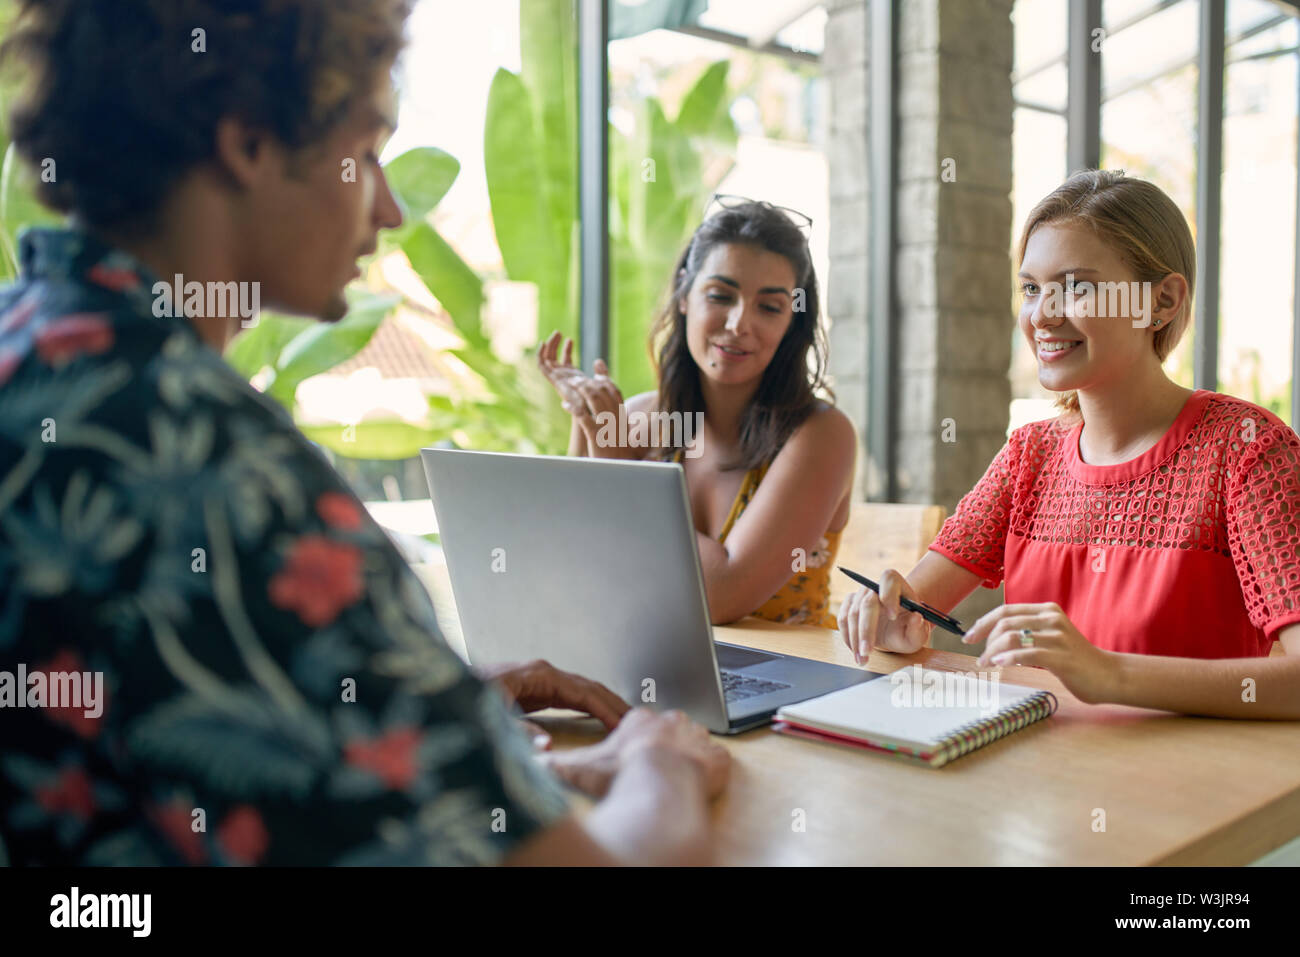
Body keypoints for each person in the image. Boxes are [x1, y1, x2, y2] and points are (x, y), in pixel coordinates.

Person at [0, 0, 728, 866]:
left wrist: (461, 718)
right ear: (249, 141)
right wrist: (658, 765)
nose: (387, 209)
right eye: (366, 152)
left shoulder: (32, 354)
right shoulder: (217, 466)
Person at [838, 170, 1300, 719]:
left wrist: (1108, 672)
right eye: (1032, 288)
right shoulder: (1028, 456)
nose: (1042, 316)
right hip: (1036, 777)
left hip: (1191, 792)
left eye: (1077, 286)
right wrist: (892, 620)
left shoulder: (1248, 451)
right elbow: (915, 611)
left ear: (1162, 301)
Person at [538, 199, 856, 627]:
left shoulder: (820, 434)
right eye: (721, 295)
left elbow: (722, 594)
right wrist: (584, 419)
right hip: (646, 666)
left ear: (791, 323)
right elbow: (572, 561)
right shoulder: (638, 420)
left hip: (789, 683)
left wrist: (616, 460)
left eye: (770, 306)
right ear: (685, 294)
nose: (739, 324)